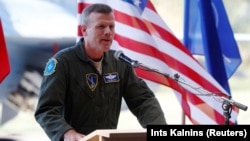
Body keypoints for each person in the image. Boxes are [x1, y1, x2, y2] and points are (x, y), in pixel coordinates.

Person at [34, 3, 166, 141]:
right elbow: (46, 110)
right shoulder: (63, 63)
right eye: (101, 26)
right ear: (84, 30)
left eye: (111, 26)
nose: (108, 32)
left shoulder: (120, 63)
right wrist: (66, 132)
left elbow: (143, 101)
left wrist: (159, 130)